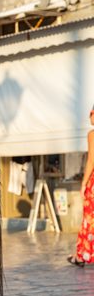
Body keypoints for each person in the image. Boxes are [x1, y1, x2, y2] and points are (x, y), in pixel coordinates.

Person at [68, 107, 94, 267]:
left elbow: (92, 161)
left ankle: (82, 255)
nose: (89, 117)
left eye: (91, 113)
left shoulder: (92, 134)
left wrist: (84, 183)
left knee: (89, 218)